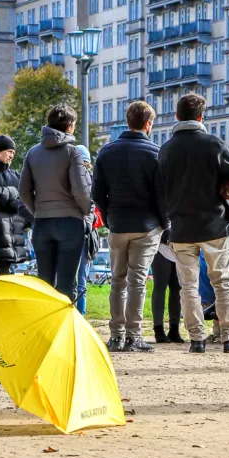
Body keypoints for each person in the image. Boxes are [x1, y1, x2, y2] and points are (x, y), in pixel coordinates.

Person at [159, 93, 229, 354]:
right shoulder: (213, 144)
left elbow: (160, 188)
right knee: (222, 283)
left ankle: (196, 339)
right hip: (213, 226)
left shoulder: (166, 149)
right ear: (201, 117)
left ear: (177, 116)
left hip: (180, 228)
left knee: (188, 286)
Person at [92, 101, 167, 353]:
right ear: (148, 124)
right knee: (137, 281)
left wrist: (110, 215)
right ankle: (134, 336)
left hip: (118, 224)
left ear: (128, 120)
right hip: (146, 225)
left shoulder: (107, 152)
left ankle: (116, 335)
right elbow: (161, 195)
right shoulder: (155, 153)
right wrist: (163, 222)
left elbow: (97, 193)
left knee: (117, 281)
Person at [19, 104, 92, 301]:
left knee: (45, 284)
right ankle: (65, 330)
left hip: (42, 223)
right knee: (67, 285)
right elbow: (81, 190)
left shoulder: (33, 153)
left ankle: (45, 329)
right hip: (70, 222)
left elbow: (23, 190)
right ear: (69, 126)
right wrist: (86, 211)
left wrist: (37, 211)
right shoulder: (73, 152)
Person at [0, 135, 31, 275]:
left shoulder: (15, 175)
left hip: (15, 237)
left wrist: (8, 199)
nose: (11, 155)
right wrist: (13, 193)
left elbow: (24, 199)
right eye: (9, 151)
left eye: (13, 152)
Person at [151, 231, 184, 344]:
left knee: (177, 289)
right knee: (160, 287)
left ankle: (174, 329)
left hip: (180, 246)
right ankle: (158, 328)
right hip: (161, 246)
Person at [74, 144, 96, 315]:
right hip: (83, 234)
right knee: (80, 280)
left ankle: (79, 315)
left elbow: (91, 210)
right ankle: (79, 315)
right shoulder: (91, 181)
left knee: (78, 280)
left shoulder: (87, 180)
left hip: (81, 235)